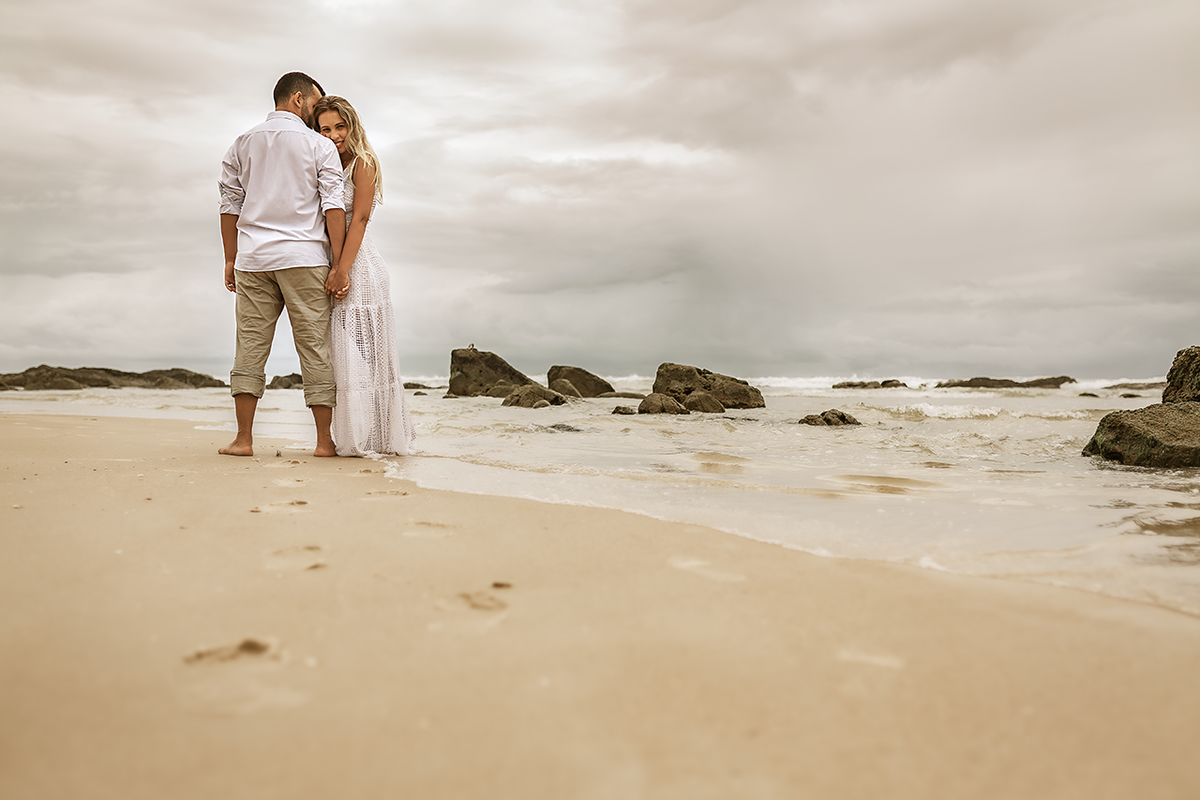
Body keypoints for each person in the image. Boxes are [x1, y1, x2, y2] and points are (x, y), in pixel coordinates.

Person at [217, 72, 346, 457]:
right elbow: (333, 206)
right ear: (297, 99)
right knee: (315, 347)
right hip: (304, 257)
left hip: (254, 259)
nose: (315, 112)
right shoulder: (318, 145)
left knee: (250, 347)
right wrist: (338, 263)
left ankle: (243, 440)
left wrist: (230, 257)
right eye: (314, 103)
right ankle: (324, 443)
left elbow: (229, 204)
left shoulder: (242, 143)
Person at [312, 95, 416, 456]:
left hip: (361, 267)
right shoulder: (326, 165)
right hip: (336, 265)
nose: (334, 135)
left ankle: (384, 439)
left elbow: (360, 218)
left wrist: (342, 269)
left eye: (340, 126)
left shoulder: (363, 162)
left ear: (352, 125)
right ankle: (361, 435)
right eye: (325, 128)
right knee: (346, 358)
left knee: (372, 360)